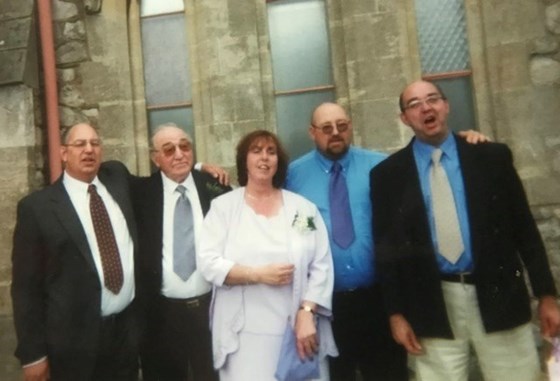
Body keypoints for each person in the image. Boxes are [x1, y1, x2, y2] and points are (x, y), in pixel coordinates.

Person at [370, 79, 560, 381]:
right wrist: (395, 314)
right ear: (404, 118)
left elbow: (524, 229)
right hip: (432, 304)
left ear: (446, 106)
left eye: (433, 99)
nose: (426, 108)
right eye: (414, 104)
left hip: (498, 295)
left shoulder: (491, 157)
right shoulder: (387, 176)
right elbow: (387, 252)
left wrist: (547, 295)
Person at [285, 102, 490, 381]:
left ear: (351, 127)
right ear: (312, 132)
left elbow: (428, 174)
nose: (335, 133)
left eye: (342, 126)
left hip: (379, 300)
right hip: (324, 305)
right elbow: (257, 192)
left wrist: (465, 142)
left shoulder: (381, 166)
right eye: (326, 128)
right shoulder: (292, 176)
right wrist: (203, 168)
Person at [197, 130, 338, 380]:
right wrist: (257, 274)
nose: (264, 158)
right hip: (242, 336)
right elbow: (208, 262)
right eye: (256, 151)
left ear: (278, 162)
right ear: (244, 160)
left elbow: (320, 263)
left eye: (271, 152)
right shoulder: (224, 209)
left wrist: (307, 311)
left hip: (295, 331)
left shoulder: (301, 210)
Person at [11, 123, 139, 381]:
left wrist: (199, 169)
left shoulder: (118, 178)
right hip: (73, 346)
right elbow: (26, 289)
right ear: (63, 153)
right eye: (80, 144)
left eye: (95, 143)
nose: (89, 150)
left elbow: (156, 188)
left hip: (126, 335)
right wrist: (33, 355)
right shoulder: (38, 208)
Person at [132, 123, 230, 381]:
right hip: (162, 315)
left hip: (211, 310)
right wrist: (199, 164)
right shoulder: (141, 193)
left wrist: (200, 168)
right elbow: (111, 172)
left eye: (184, 146)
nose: (179, 154)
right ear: (155, 158)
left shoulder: (214, 187)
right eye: (168, 149)